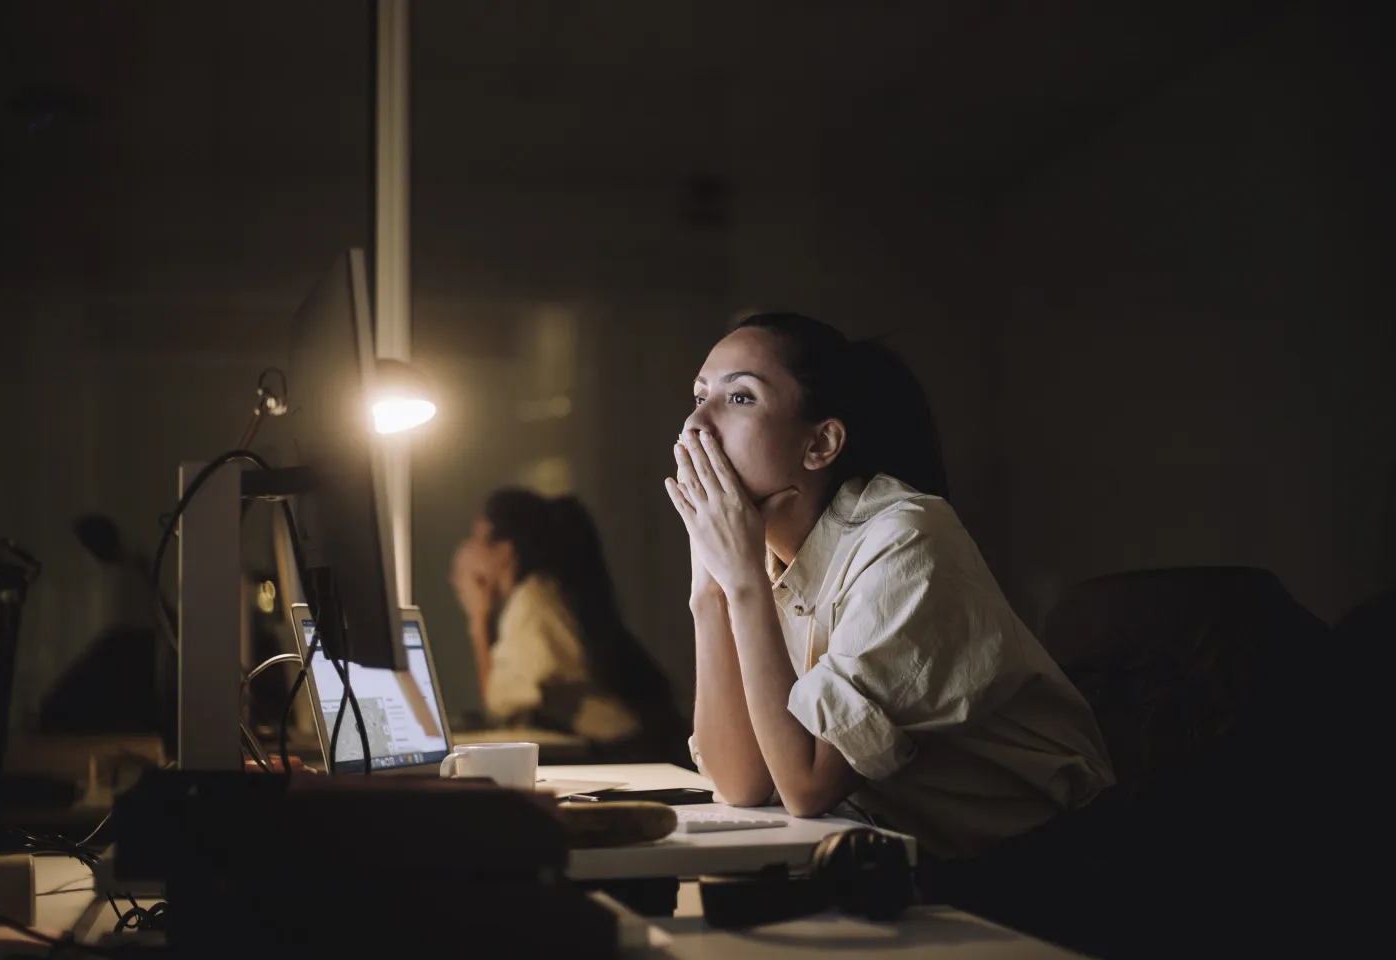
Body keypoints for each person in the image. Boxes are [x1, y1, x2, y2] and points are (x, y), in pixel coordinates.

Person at [664, 313, 1115, 872]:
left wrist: (742, 584)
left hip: (1038, 866)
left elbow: (807, 786)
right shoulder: (758, 557)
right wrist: (709, 590)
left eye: (739, 398)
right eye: (700, 396)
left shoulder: (907, 537)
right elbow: (742, 784)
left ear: (821, 443)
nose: (695, 425)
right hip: (889, 860)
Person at [450, 489, 687, 763]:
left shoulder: (532, 601)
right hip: (629, 748)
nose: (465, 551)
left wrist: (478, 619)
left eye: (477, 538)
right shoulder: (546, 593)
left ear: (504, 551)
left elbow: (500, 704)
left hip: (624, 754)